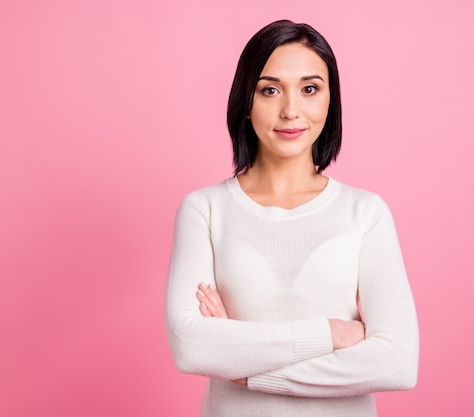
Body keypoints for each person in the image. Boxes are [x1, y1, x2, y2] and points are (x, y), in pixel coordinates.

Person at [164, 20, 419, 417]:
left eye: (310, 88)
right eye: (270, 89)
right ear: (245, 102)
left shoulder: (365, 212)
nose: (291, 110)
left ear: (330, 100)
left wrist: (247, 367)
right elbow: (193, 347)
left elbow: (397, 362)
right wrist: (331, 334)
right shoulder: (205, 209)